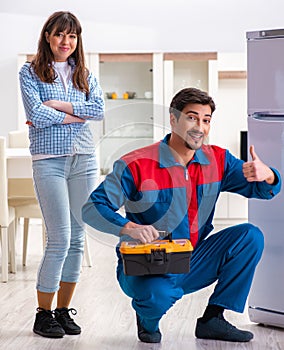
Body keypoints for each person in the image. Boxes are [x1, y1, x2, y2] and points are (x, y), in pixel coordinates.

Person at [82, 87, 281, 343]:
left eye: (206, 120)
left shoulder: (218, 160)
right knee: (158, 297)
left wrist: (269, 175)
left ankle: (213, 319)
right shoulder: (136, 164)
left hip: (192, 259)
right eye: (191, 117)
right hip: (146, 265)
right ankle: (147, 318)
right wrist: (128, 227)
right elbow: (92, 208)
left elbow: (262, 190)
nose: (199, 126)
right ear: (173, 119)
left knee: (250, 236)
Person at [19, 11, 104, 338]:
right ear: (47, 37)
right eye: (59, 35)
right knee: (60, 238)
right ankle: (43, 314)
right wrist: (71, 115)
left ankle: (62, 311)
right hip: (49, 160)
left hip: (84, 158)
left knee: (78, 239)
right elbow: (35, 114)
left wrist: (59, 105)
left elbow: (98, 110)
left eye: (72, 36)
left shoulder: (84, 73)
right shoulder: (30, 72)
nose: (66, 42)